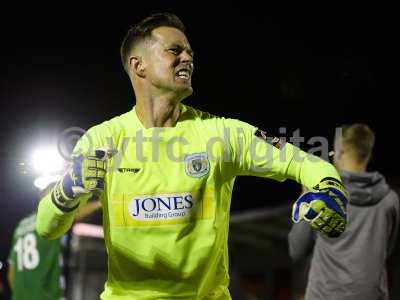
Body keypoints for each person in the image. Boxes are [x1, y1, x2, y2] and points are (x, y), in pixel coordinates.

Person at [36, 13, 348, 299]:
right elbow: (48, 227)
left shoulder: (223, 134)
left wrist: (330, 188)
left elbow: (305, 162)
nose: (187, 58)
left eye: (189, 53)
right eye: (174, 50)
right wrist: (67, 190)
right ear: (138, 65)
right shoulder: (102, 140)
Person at [288, 123, 400, 300]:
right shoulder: (390, 200)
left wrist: (306, 195)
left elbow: (296, 249)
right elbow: (388, 249)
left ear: (339, 152)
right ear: (368, 154)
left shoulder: (321, 193)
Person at [7, 184, 101, 300]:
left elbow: (11, 272)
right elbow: (78, 214)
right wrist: (100, 202)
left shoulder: (20, 226)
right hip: (46, 295)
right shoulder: (52, 219)